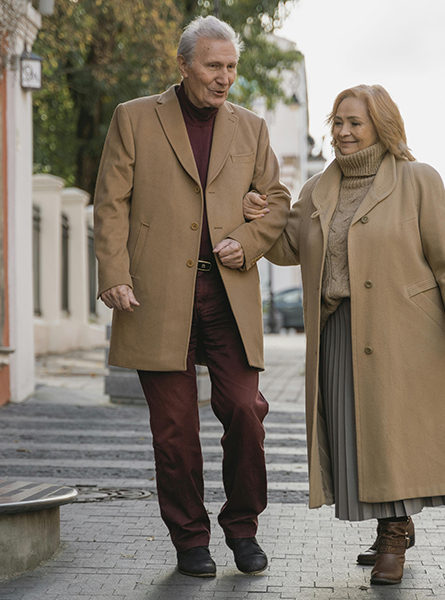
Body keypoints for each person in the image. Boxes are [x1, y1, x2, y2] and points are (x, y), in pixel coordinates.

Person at [243, 84, 445, 585]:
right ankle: (388, 527)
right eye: (337, 122)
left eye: (355, 122)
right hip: (338, 331)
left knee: (393, 433)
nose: (344, 132)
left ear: (382, 125)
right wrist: (260, 217)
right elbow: (289, 248)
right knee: (356, 435)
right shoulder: (317, 189)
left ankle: (395, 536)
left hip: (404, 331)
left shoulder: (418, 179)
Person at [93, 15, 290, 578]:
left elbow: (275, 198)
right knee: (175, 427)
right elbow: (111, 203)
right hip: (154, 293)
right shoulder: (134, 118)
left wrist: (248, 241)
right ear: (183, 65)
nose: (224, 77)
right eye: (213, 66)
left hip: (228, 292)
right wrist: (114, 270)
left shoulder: (252, 128)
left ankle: (243, 526)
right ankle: (190, 539)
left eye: (231, 67)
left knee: (246, 411)